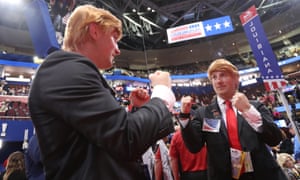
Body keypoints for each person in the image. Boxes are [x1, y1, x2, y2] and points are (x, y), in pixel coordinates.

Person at [28, 4, 175, 180]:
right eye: (114, 38)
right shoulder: (67, 70)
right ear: (94, 31)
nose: (118, 50)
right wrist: (161, 93)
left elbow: (99, 145)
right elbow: (126, 139)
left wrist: (138, 111)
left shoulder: (70, 71)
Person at [179, 59, 287, 180]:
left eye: (223, 75)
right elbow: (194, 146)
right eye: (214, 77)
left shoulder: (255, 106)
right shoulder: (204, 113)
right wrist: (184, 116)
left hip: (262, 174)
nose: (218, 81)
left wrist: (248, 110)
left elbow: (275, 139)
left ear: (236, 78)